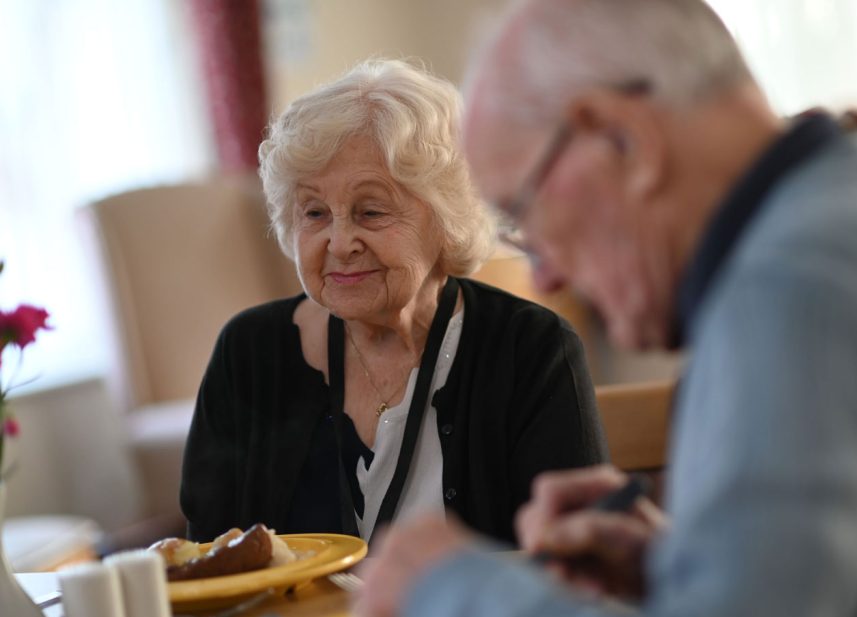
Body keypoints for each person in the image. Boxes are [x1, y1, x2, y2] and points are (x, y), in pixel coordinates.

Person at [352, 1, 857, 617]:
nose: (545, 273)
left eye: (523, 212)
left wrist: (450, 591)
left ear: (623, 139)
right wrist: (687, 569)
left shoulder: (788, 292)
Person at [180, 59, 607, 546]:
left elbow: (575, 563)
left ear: (446, 218)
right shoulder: (249, 354)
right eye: (315, 213)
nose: (340, 243)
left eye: (371, 211)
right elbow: (209, 563)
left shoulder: (532, 351)